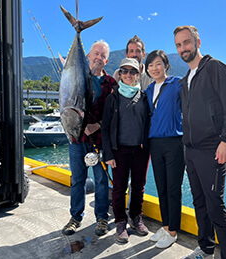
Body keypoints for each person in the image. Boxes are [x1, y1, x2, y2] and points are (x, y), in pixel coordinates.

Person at [174, 26, 226, 259]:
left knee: (215, 205)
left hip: (211, 149)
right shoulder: (185, 80)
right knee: (199, 202)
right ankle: (206, 249)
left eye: (186, 42)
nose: (183, 48)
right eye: (179, 45)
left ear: (197, 41)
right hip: (190, 150)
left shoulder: (214, 68)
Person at [62, 40, 117, 236]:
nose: (99, 58)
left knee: (101, 181)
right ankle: (75, 217)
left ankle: (102, 218)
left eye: (103, 55)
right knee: (77, 180)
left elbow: (114, 113)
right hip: (77, 140)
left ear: (107, 60)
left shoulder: (111, 83)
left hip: (99, 141)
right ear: (88, 56)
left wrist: (98, 124)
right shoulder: (77, 77)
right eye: (96, 53)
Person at [102, 58, 150, 244]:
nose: (128, 75)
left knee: (139, 187)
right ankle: (121, 221)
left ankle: (136, 218)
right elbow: (105, 128)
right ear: (119, 74)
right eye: (125, 71)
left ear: (138, 75)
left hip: (140, 150)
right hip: (119, 150)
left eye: (132, 72)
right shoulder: (112, 98)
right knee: (119, 188)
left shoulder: (144, 97)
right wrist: (108, 154)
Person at [144, 50, 185, 249]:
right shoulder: (149, 90)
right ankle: (165, 225)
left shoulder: (177, 84)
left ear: (166, 65)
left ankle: (173, 231)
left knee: (173, 189)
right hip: (155, 144)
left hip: (174, 142)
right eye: (150, 65)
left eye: (158, 64)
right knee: (161, 188)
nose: (154, 68)